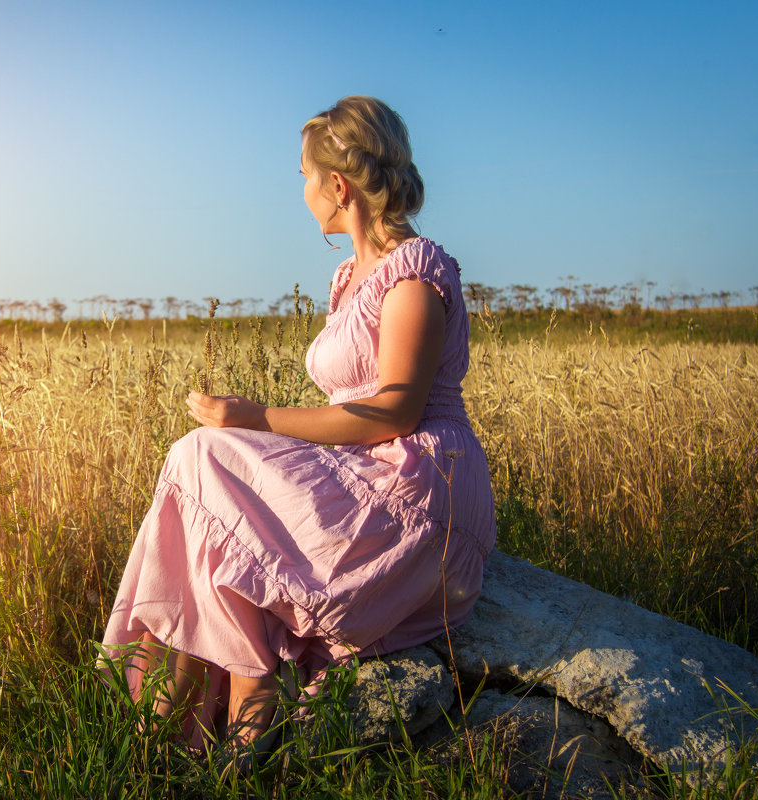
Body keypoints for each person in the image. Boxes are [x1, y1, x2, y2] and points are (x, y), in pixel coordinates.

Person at [100, 96, 497, 757]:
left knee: (204, 455)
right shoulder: (352, 278)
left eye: (305, 175)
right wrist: (257, 429)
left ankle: (199, 723)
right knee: (215, 500)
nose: (303, 190)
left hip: (417, 491)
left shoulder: (415, 272)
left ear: (336, 185)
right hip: (368, 470)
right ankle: (221, 722)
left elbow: (395, 410)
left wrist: (255, 418)